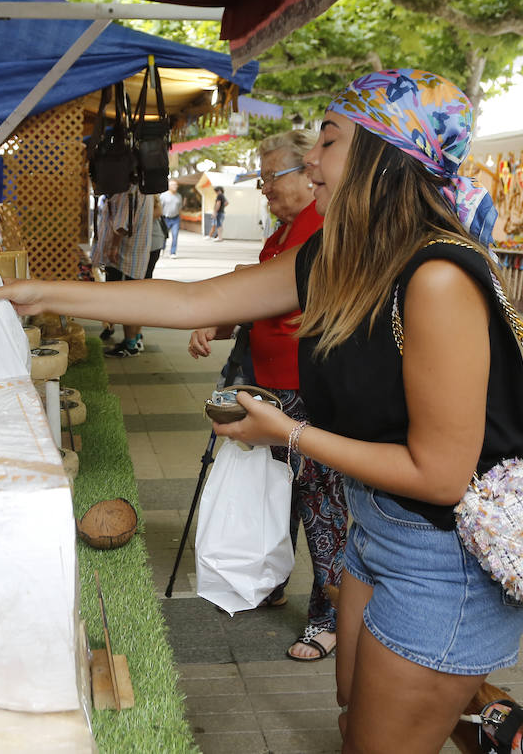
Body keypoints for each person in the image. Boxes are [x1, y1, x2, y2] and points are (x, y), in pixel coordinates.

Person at [0, 69, 523, 752]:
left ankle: (495, 724)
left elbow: (442, 475)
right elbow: (197, 302)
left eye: (329, 142)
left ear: (384, 156)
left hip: (444, 556)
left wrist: (292, 433)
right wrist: (40, 293)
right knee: (350, 713)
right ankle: (483, 722)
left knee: (380, 742)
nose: (310, 162)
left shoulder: (437, 278)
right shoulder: (346, 255)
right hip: (377, 529)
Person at [188, 129, 347, 662]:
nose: (264, 187)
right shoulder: (281, 233)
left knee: (318, 500)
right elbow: (262, 299)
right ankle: (276, 577)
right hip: (274, 384)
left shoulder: (323, 228)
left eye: (271, 176)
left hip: (314, 389)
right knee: (281, 491)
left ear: (307, 174)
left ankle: (328, 617)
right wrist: (223, 320)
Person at [93, 185, 160, 358]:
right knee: (136, 299)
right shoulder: (144, 189)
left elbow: (122, 225)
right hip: (137, 253)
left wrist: (112, 248)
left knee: (126, 302)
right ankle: (135, 339)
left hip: (125, 256)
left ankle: (130, 345)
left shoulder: (128, 190)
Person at [158, 179, 183, 256]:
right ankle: (162, 247)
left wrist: (180, 218)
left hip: (175, 218)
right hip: (165, 218)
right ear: (169, 186)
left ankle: (173, 252)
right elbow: (159, 207)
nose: (175, 186)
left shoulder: (179, 196)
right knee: (164, 235)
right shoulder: (163, 195)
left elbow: (180, 208)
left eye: (176, 185)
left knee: (175, 236)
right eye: (173, 185)